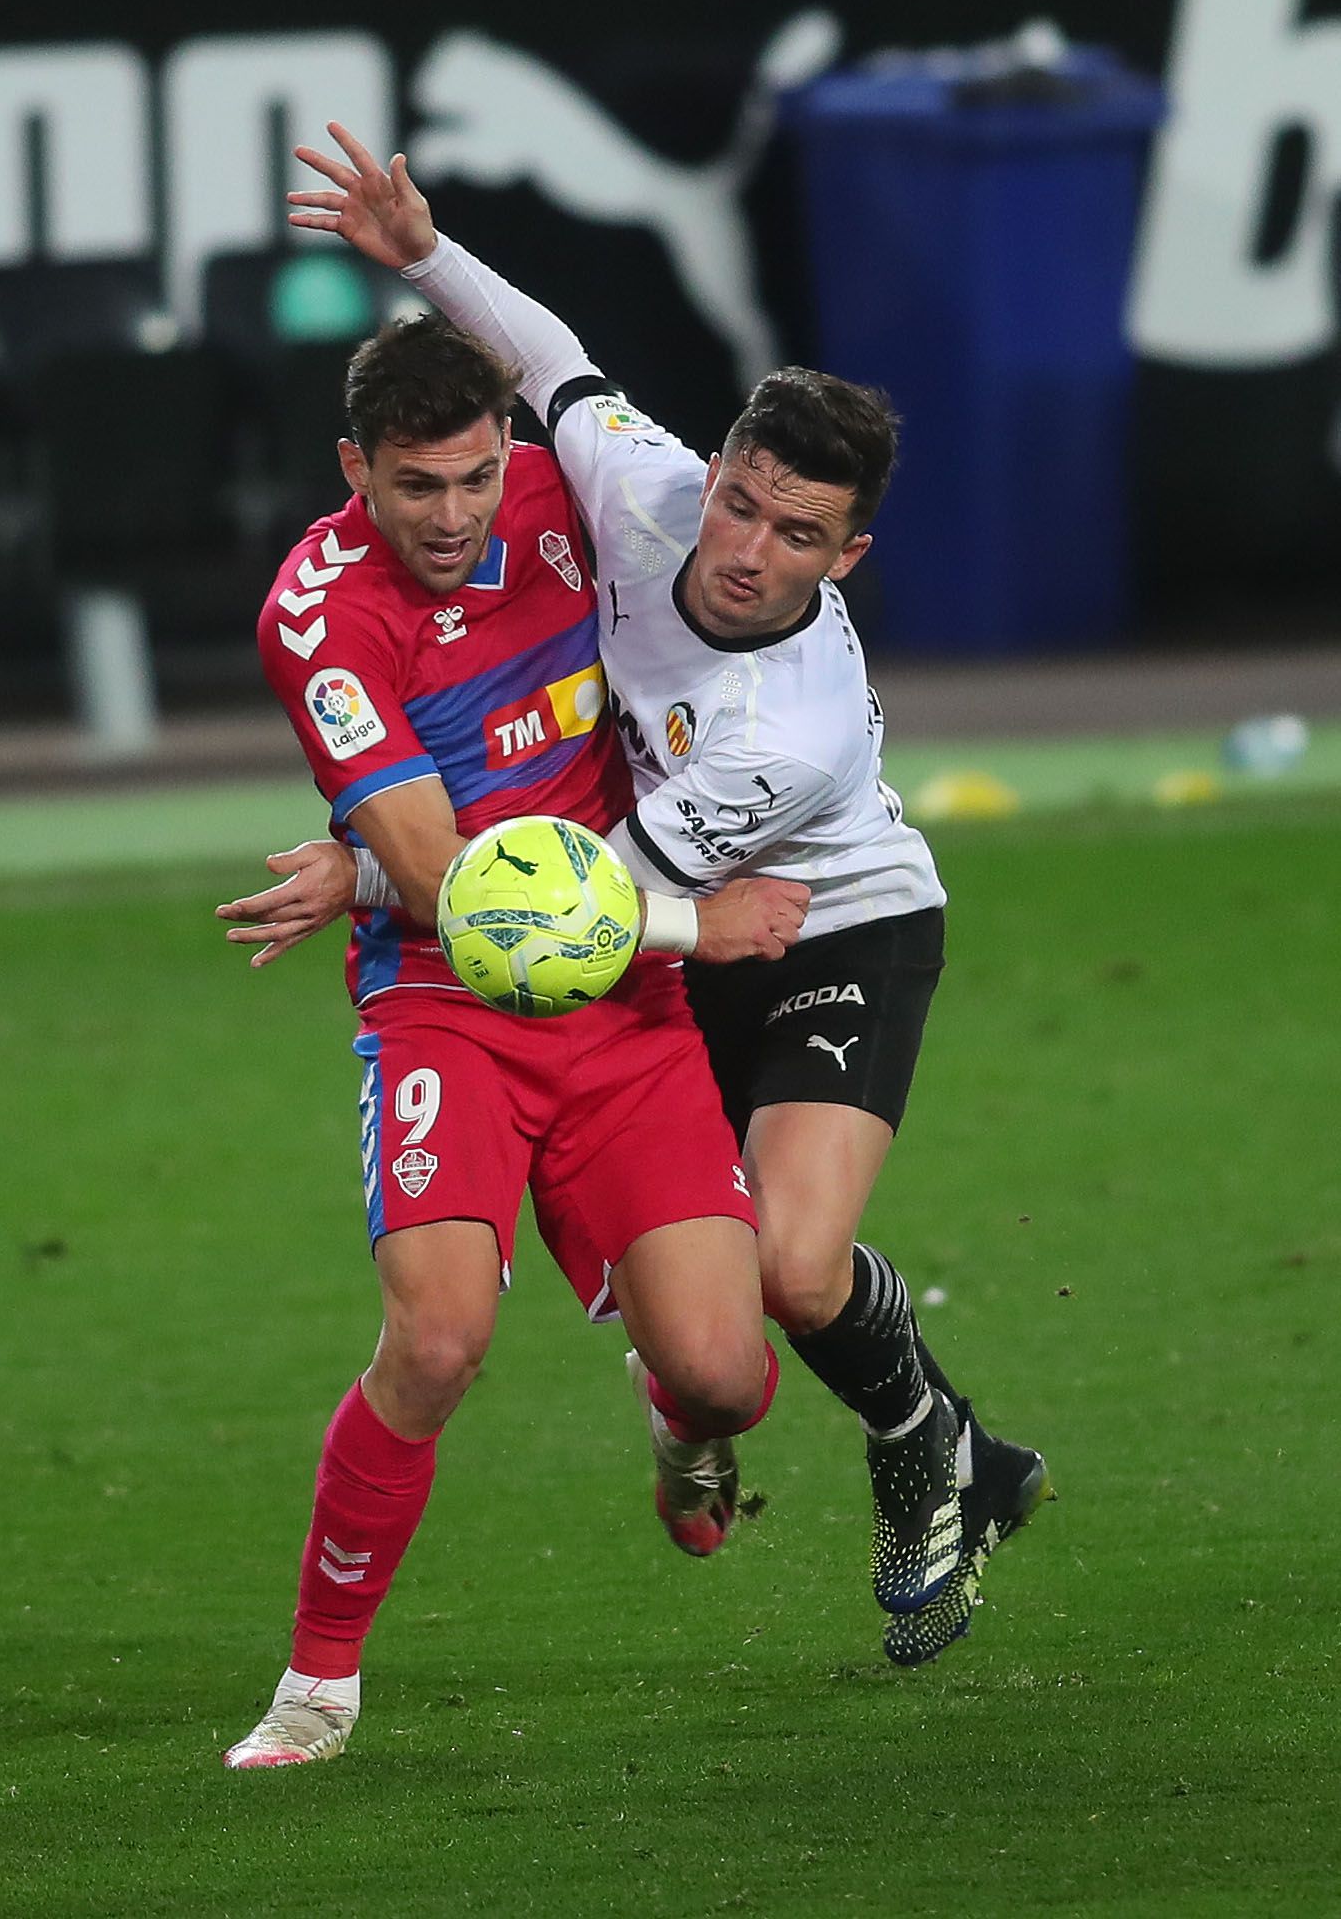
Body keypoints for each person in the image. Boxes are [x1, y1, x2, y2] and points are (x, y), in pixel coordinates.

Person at [228, 122, 1054, 1670]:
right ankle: (739, 1422)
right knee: (716, 1330)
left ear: (847, 556)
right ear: (722, 466)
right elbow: (552, 358)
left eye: (795, 536)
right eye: (743, 501)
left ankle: (934, 1447)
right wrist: (417, 251)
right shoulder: (650, 488)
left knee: (797, 1272)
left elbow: (559, 906)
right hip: (676, 932)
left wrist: (360, 868)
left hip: (823, 922)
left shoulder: (783, 738)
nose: (743, 551)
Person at [216, 303, 812, 1769]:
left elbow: (745, 579)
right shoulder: (321, 613)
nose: (452, 513)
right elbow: (439, 883)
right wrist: (692, 924)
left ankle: (678, 1422)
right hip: (448, 1010)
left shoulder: (574, 494)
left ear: (509, 451)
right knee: (434, 1338)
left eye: (475, 476)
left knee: (728, 1373)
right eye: (415, 484)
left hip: (623, 1019)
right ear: (353, 467)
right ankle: (318, 1684)